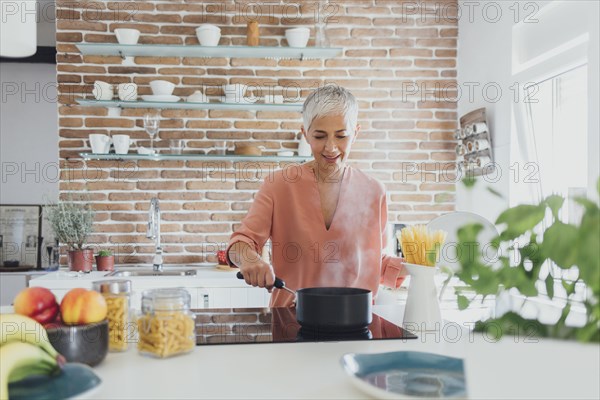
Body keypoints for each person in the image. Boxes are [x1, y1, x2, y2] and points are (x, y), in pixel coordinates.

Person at [226, 85, 405, 307]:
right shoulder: (279, 185)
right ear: (305, 134)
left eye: (341, 136)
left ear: (356, 133)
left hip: (357, 322)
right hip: (291, 323)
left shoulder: (374, 191)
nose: (331, 148)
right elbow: (240, 243)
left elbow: (372, 261)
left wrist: (411, 268)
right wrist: (249, 259)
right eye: (319, 136)